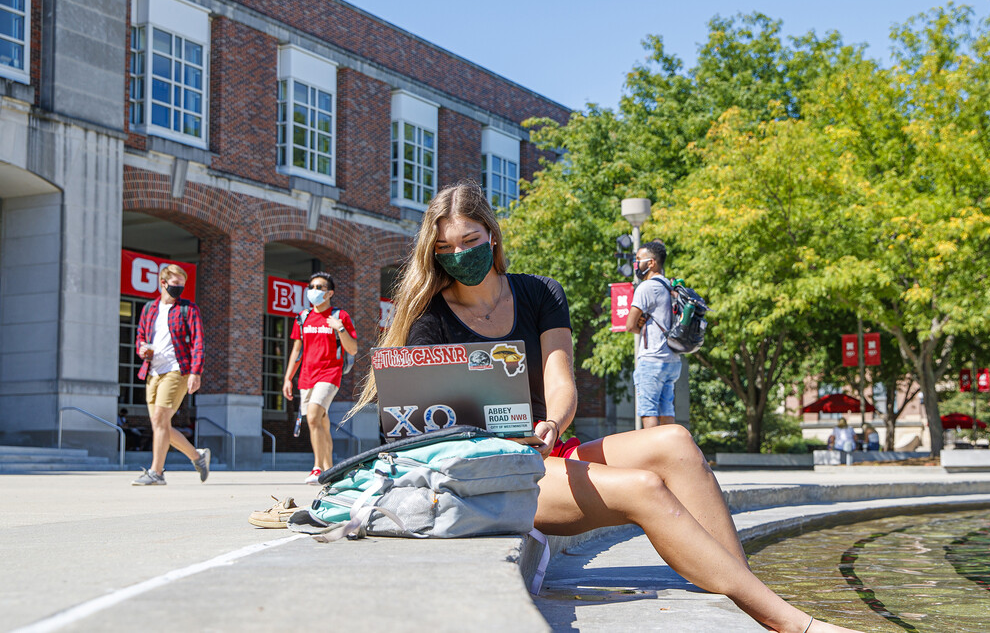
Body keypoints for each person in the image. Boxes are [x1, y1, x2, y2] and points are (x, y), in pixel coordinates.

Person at [350, 182, 860, 633]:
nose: (459, 254)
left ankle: (738, 586)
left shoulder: (539, 293)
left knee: (675, 442)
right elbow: (419, 426)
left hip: (546, 451)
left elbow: (559, 377)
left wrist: (552, 422)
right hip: (486, 478)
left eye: (469, 242)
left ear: (493, 236)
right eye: (444, 248)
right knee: (643, 488)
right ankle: (787, 621)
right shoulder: (428, 318)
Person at [132, 264, 210, 486]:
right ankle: (197, 456)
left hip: (178, 370)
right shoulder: (149, 309)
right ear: (163, 283)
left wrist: (196, 372)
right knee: (161, 424)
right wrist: (142, 349)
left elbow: (198, 343)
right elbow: (140, 336)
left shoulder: (189, 309)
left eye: (182, 284)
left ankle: (156, 473)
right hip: (153, 371)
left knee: (159, 420)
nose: (180, 288)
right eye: (176, 283)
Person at [283, 271, 358, 484]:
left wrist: (340, 329)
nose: (314, 291)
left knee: (314, 417)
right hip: (307, 376)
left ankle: (317, 468)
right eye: (312, 287)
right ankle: (329, 469)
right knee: (321, 423)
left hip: (329, 374)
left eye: (319, 287)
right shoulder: (303, 317)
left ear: (330, 293)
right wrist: (288, 378)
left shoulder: (339, 316)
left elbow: (352, 349)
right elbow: (297, 351)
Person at [624, 240, 680, 429]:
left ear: (651, 263)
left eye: (639, 259)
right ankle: (670, 454)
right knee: (667, 410)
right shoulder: (670, 286)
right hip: (672, 360)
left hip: (651, 360)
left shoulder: (646, 287)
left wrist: (641, 327)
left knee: (648, 411)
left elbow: (630, 324)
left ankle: (654, 457)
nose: (636, 263)